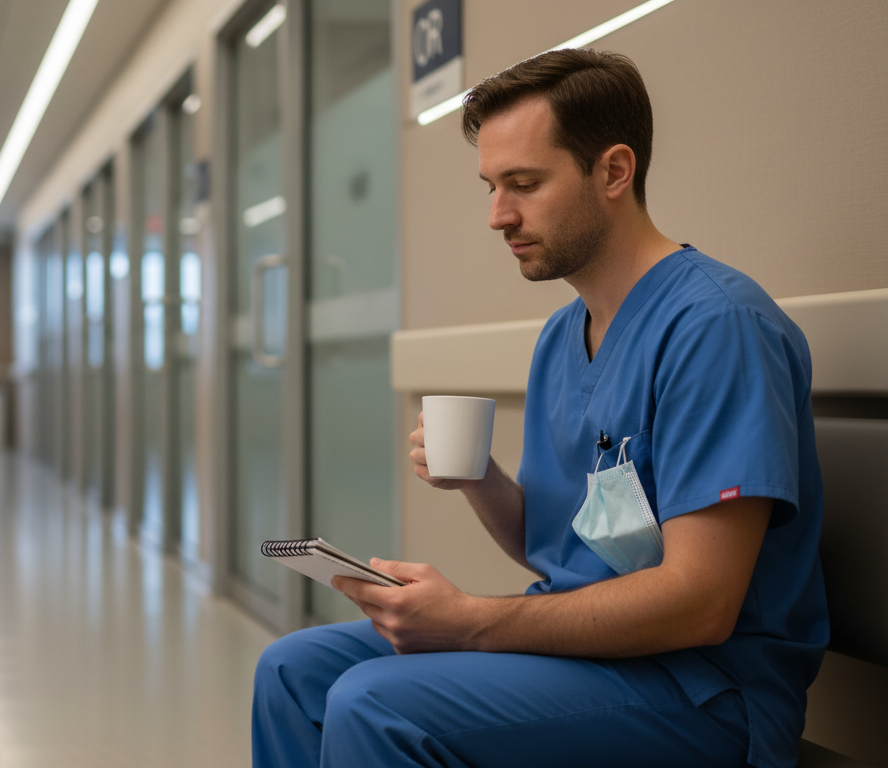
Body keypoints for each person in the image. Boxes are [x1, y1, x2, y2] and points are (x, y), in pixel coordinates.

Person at [251, 49, 827, 768]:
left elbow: (701, 603)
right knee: (292, 671)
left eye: (523, 184)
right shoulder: (564, 333)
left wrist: (470, 622)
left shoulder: (718, 328)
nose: (497, 215)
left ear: (614, 171)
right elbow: (553, 546)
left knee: (373, 702)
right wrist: (478, 479)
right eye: (491, 186)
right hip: (584, 655)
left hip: (705, 691)